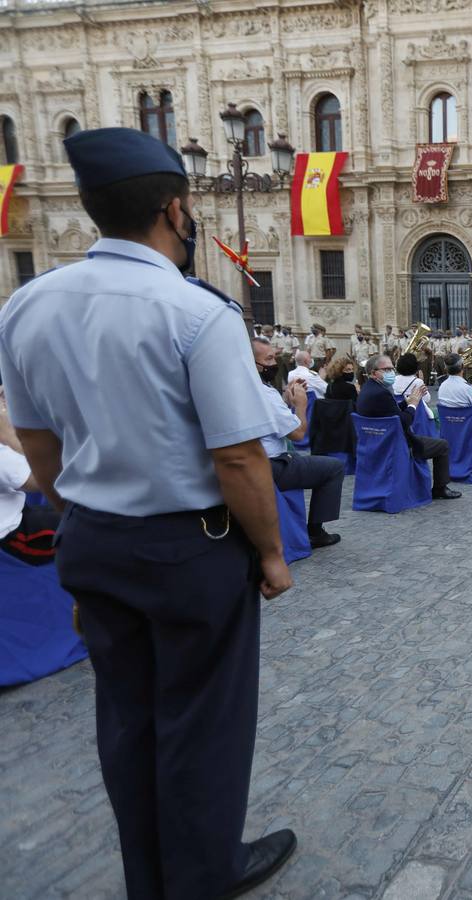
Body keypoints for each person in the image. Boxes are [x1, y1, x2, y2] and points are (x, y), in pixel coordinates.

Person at [0, 127, 297, 898]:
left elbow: (37, 445)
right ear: (175, 208)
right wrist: (269, 552)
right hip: (188, 548)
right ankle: (201, 876)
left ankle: (150, 877)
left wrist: (83, 521)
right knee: (203, 724)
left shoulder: (28, 304)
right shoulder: (195, 311)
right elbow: (238, 457)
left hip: (91, 539)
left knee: (127, 721)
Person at [251, 339, 344, 548]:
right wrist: (300, 406)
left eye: (274, 357)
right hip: (272, 464)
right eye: (268, 359)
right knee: (333, 468)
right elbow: (298, 434)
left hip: (254, 461)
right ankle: (316, 531)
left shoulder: (240, 388)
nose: (274, 363)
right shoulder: (264, 393)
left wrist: (286, 401)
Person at [356, 354, 461, 498]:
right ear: (374, 373)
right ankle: (440, 488)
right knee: (442, 445)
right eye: (386, 369)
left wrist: (406, 401)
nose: (391, 373)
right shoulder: (381, 393)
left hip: (374, 442)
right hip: (394, 444)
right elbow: (403, 422)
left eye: (392, 369)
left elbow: (390, 412)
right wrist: (413, 404)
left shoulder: (368, 389)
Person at [0, 398, 60, 565]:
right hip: (15, 536)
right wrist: (9, 434)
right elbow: (41, 481)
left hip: (20, 514)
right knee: (89, 529)